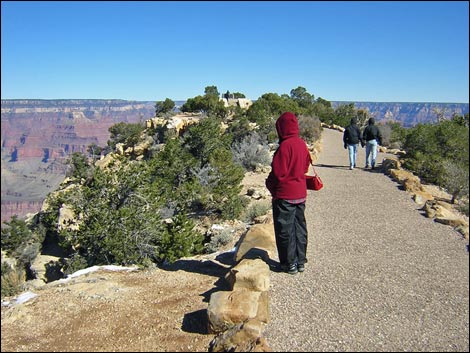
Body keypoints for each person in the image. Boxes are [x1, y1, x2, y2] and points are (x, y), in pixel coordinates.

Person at [265, 112, 312, 275]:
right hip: (300, 193)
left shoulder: (284, 147)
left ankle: (288, 263)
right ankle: (300, 261)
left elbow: (278, 173)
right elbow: (305, 167)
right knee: (299, 227)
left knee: (285, 229)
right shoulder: (301, 144)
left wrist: (269, 184)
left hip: (285, 195)